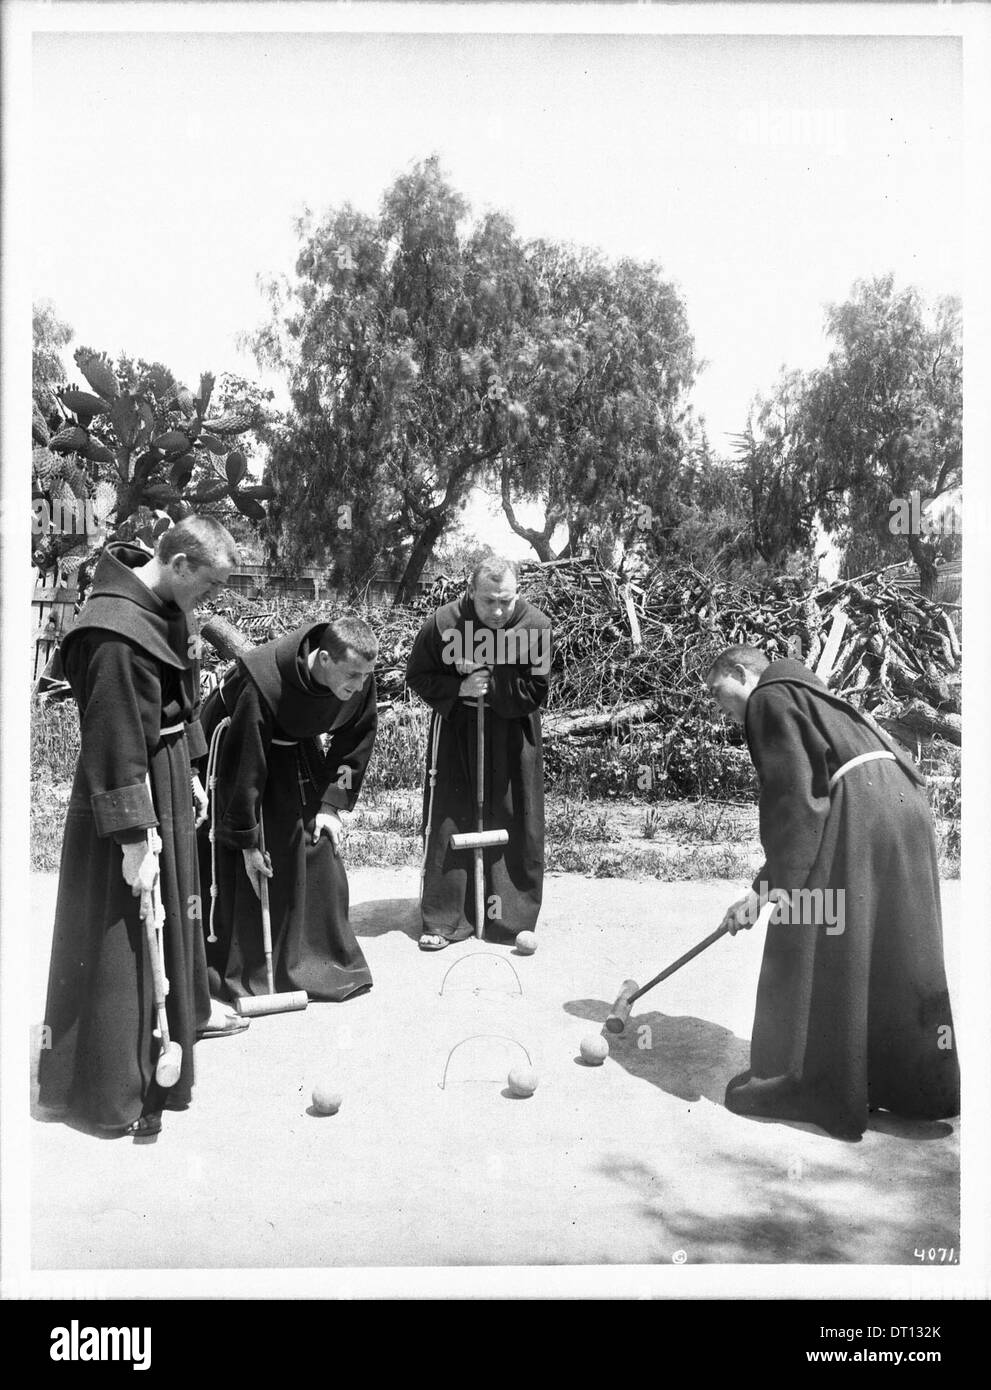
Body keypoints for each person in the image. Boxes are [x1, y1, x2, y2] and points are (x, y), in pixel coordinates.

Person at [704, 645, 960, 1140]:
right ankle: (911, 1089)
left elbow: (793, 803)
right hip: (904, 806)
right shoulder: (816, 695)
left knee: (806, 928)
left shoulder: (769, 698)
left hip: (860, 810)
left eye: (720, 693)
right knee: (892, 945)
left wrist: (769, 893)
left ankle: (805, 1083)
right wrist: (766, 884)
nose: (723, 708)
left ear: (741, 672)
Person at [38, 517, 239, 1137]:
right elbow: (115, 740)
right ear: (178, 565)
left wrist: (196, 770)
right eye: (207, 587)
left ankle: (164, 1053)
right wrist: (132, 839)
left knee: (170, 914)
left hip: (170, 775)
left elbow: (183, 691)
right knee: (123, 931)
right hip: (129, 790)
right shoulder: (116, 632)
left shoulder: (163, 607)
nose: (209, 604)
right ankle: (110, 1087)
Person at [197, 617, 378, 1004]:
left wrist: (331, 803)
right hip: (235, 753)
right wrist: (246, 841)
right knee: (253, 861)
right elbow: (246, 766)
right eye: (353, 676)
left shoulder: (355, 672)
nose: (360, 686)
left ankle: (318, 962)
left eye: (366, 676)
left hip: (295, 749)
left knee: (318, 847)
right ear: (324, 659)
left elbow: (357, 735)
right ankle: (251, 971)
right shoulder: (262, 679)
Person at [406, 556, 552, 950]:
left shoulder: (535, 626)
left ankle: (511, 919)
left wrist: (496, 674)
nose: (499, 611)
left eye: (506, 600)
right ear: (471, 592)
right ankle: (446, 919)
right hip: (457, 730)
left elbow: (537, 690)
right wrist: (460, 689)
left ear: (518, 592)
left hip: (512, 731)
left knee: (515, 815)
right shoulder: (443, 623)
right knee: (451, 818)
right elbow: (417, 675)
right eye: (489, 601)